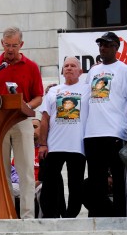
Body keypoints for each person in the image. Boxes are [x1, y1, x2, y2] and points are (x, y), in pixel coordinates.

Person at [0, 27, 44, 219]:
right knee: (2, 172)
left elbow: (39, 97)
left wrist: (25, 105)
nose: (10, 49)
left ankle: (27, 217)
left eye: (14, 46)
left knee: (25, 171)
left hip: (22, 121)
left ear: (21, 45)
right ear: (2, 44)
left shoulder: (31, 66)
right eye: (7, 45)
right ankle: (6, 214)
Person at [84, 32, 127, 217]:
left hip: (115, 133)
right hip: (92, 134)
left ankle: (121, 218)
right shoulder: (93, 71)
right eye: (100, 45)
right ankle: (99, 217)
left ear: (116, 48)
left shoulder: (126, 71)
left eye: (106, 45)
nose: (102, 48)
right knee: (96, 181)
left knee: (119, 180)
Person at [38, 57, 89, 218]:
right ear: (62, 71)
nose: (69, 68)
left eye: (73, 66)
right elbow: (44, 119)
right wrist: (43, 144)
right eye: (66, 66)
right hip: (54, 145)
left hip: (77, 145)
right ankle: (53, 214)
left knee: (76, 183)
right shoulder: (53, 91)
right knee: (51, 183)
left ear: (80, 71)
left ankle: (71, 215)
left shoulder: (88, 89)